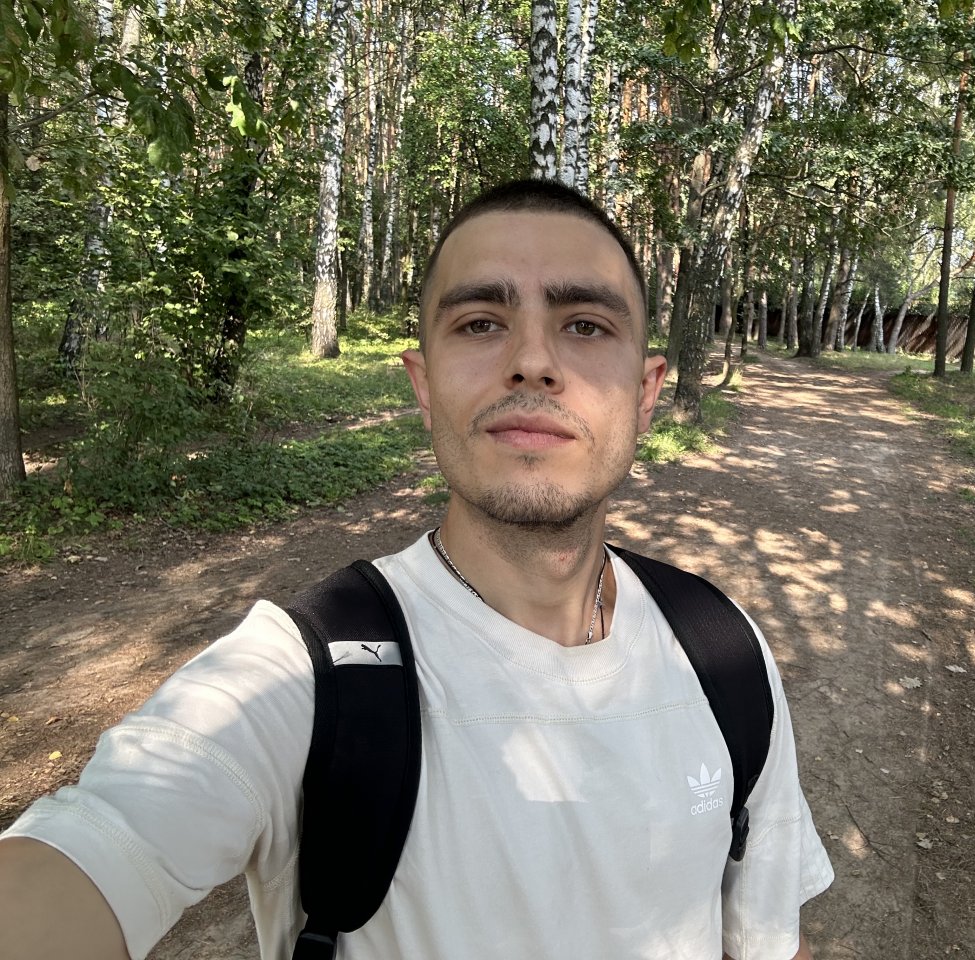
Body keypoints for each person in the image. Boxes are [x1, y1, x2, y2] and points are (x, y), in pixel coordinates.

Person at [0, 179, 833, 959]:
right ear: (424, 383)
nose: (532, 360)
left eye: (586, 325)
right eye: (480, 323)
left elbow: (764, 938)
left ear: (646, 393)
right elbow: (101, 842)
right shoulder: (304, 675)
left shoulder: (721, 649)